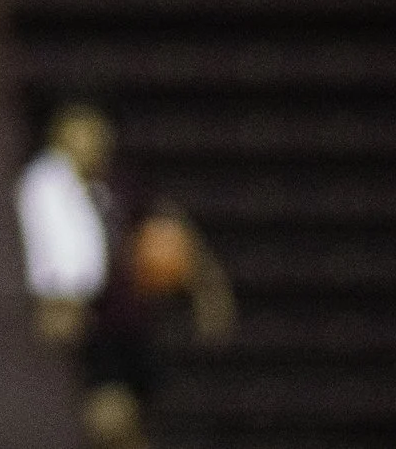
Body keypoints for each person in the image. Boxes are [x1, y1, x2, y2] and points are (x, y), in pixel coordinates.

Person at [18, 100, 236, 449]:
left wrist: (209, 292)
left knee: (122, 427)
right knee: (108, 421)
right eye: (76, 133)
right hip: (94, 331)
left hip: (136, 325)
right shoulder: (46, 193)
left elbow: (173, 231)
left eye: (93, 133)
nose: (87, 143)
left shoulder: (124, 188)